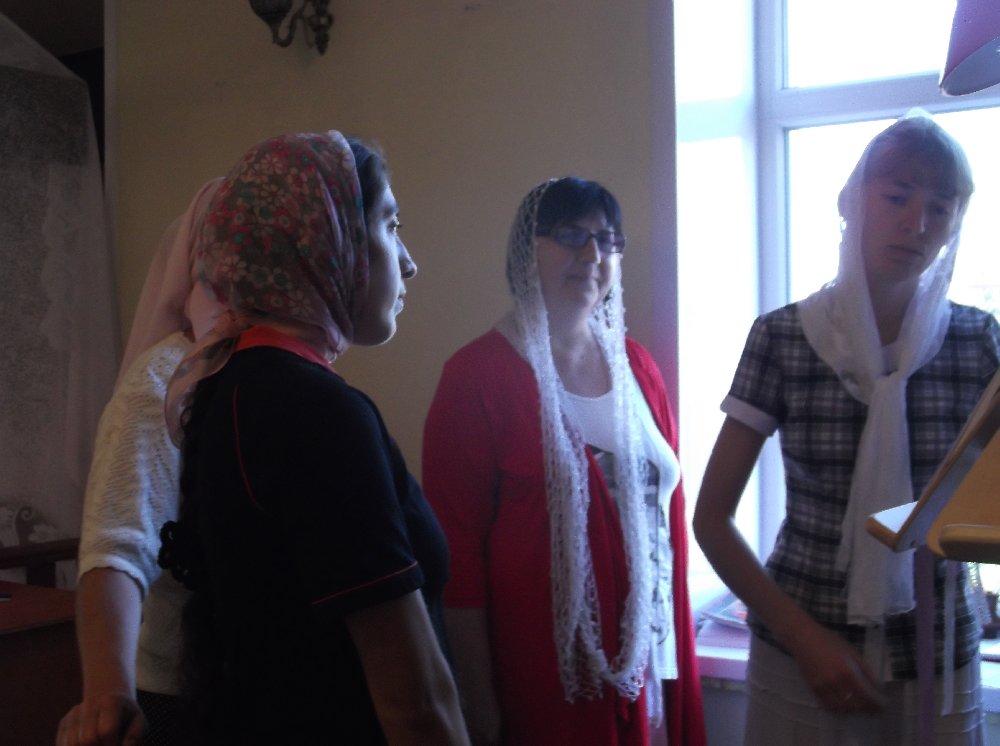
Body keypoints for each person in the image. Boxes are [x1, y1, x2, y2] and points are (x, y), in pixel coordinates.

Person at [693, 113, 998, 744]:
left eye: (940, 208)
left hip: (939, 656)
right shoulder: (784, 336)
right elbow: (711, 518)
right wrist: (805, 639)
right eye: (897, 197)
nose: (916, 223)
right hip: (800, 654)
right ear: (851, 200)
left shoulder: (978, 341)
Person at [157, 131, 469, 745]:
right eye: (390, 225)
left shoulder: (232, 385)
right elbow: (411, 701)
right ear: (324, 237)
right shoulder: (317, 414)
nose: (409, 261)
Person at [422, 177, 706, 746]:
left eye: (608, 239)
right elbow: (457, 564)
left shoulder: (638, 368)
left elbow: (666, 522)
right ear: (526, 251)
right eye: (572, 235)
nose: (593, 254)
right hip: (545, 685)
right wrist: (478, 702)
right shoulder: (476, 378)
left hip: (654, 667)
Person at [58, 177, 224, 746]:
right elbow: (117, 545)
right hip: (181, 696)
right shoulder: (162, 380)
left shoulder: (269, 375)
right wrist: (109, 694)